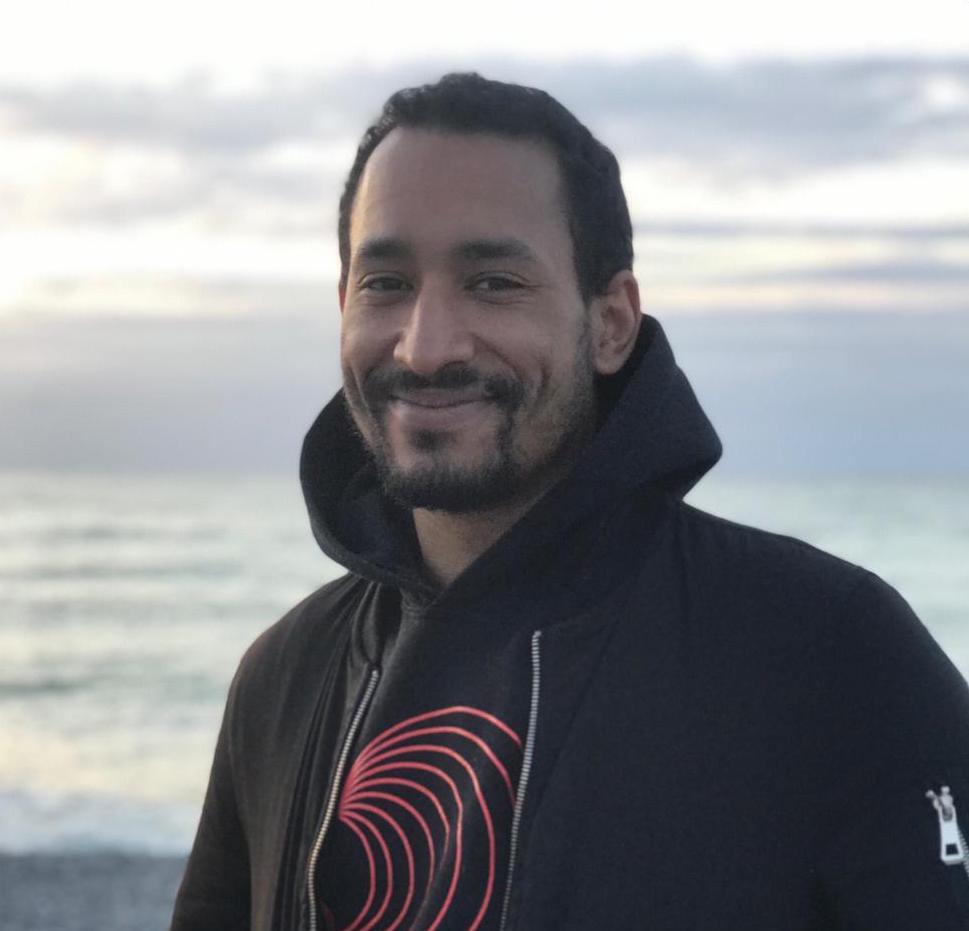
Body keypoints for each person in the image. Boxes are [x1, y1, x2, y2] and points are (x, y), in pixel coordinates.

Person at [170, 73, 969, 931]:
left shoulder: (827, 651)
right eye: (385, 283)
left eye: (492, 282)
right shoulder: (284, 675)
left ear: (611, 323)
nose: (426, 347)